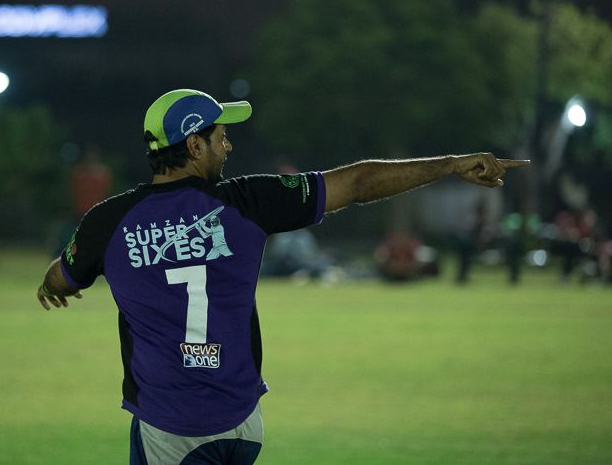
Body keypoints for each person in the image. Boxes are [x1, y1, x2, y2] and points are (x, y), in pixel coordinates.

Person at [36, 88, 530, 465]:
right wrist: (450, 165)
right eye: (221, 136)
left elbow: (65, 276)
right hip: (242, 425)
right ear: (194, 144)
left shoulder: (108, 221)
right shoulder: (248, 201)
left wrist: (51, 283)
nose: (228, 145)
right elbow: (359, 182)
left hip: (171, 428)